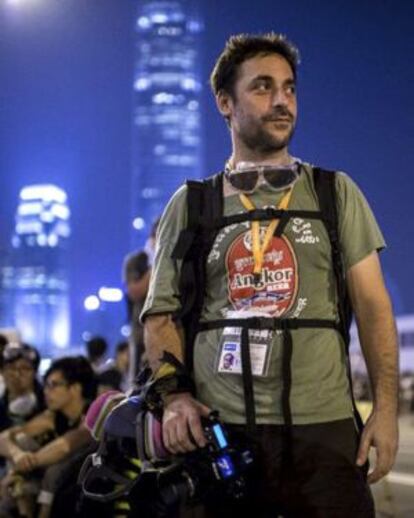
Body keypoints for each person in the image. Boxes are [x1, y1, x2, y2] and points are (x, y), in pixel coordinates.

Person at [141, 33, 399, 517]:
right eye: (262, 87)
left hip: (325, 432)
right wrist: (174, 399)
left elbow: (373, 307)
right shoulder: (192, 203)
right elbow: (160, 314)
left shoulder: (335, 192)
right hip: (224, 437)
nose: (282, 101)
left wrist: (384, 411)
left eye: (289, 88)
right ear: (224, 102)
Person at [0, 356, 96, 518]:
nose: (46, 391)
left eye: (53, 385)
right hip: (51, 486)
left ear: (75, 388)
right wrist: (17, 455)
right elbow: (4, 437)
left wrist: (19, 467)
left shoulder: (93, 414)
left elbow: (65, 446)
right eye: (45, 385)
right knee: (23, 443)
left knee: (55, 469)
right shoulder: (53, 416)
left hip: (83, 493)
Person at [123, 217, 160, 387]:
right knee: (140, 387)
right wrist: (157, 262)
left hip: (172, 329)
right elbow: (134, 292)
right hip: (142, 333)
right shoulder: (137, 260)